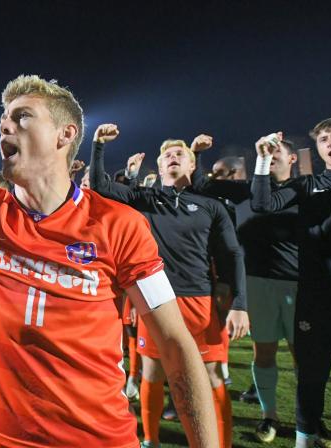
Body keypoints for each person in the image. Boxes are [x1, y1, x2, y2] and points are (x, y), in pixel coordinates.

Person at [0, 18, 218, 447]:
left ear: (66, 135)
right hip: (1, 439)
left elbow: (176, 345)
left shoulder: (119, 225)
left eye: (21, 117)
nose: (4, 126)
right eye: (3, 119)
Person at [89, 124, 248, 448]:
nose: (173, 158)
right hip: (156, 301)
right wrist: (98, 146)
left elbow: (232, 253)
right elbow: (100, 185)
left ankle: (222, 443)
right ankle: (151, 440)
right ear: (160, 167)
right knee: (153, 372)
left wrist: (240, 303)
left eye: (180, 154)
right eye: (167, 156)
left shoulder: (211, 206)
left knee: (211, 376)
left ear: (192, 165)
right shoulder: (146, 199)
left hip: (201, 302)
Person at [250, 116, 331, 447]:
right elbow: (262, 203)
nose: (330, 143)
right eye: (324, 139)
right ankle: (304, 439)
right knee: (310, 377)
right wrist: (263, 159)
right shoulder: (307, 185)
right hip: (316, 296)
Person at [191, 135, 300, 443]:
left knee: (301, 356)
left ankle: (310, 419)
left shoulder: (303, 190)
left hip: (297, 284)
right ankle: (270, 416)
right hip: (256, 283)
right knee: (264, 352)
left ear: (293, 159)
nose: (272, 154)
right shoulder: (245, 191)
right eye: (269, 151)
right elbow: (201, 185)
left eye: (279, 150)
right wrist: (196, 153)